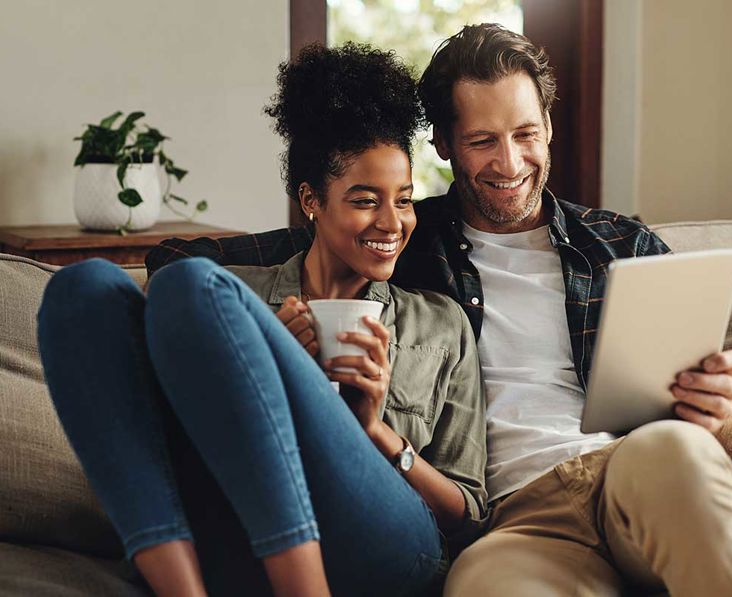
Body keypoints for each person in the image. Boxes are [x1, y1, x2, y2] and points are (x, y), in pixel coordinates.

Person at [146, 25, 732, 596]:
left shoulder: (623, 245)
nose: (510, 163)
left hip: (639, 473)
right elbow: (184, 264)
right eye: (483, 140)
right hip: (512, 525)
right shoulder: (400, 235)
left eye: (525, 134)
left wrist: (727, 413)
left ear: (548, 126)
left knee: (677, 454)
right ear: (444, 146)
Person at [37, 42, 487, 597]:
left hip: (385, 545)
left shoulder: (441, 326)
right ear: (310, 200)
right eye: (366, 200)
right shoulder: (230, 304)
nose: (392, 222)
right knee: (82, 287)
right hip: (234, 532)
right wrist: (270, 370)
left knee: (190, 281)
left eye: (405, 200)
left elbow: (469, 515)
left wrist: (374, 431)